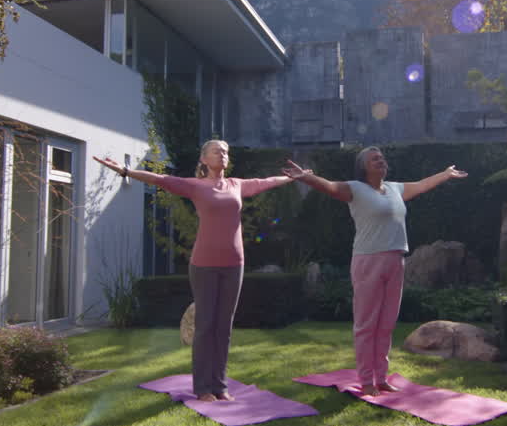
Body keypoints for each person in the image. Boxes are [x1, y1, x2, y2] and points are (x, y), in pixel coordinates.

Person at [96, 140, 308, 402]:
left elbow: (265, 182)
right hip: (204, 265)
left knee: (224, 327)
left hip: (234, 264)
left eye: (227, 151)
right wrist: (127, 172)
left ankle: (220, 385)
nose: (224, 155)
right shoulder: (195, 186)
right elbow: (161, 178)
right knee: (206, 326)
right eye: (218, 151)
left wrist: (292, 179)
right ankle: (203, 388)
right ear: (204, 159)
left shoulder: (236, 185)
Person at [284, 148, 466, 396]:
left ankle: (381, 378)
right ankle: (366, 380)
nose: (381, 161)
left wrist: (445, 174)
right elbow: (329, 186)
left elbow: (422, 185)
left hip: (396, 260)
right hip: (368, 261)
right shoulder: (355, 189)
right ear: (364, 167)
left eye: (382, 158)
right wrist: (305, 177)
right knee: (366, 325)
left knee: (386, 324)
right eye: (375, 159)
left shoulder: (395, 189)